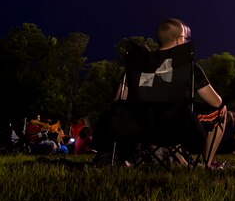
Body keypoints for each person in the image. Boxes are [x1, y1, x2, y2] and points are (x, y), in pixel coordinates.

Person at [96, 18, 224, 165]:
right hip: (175, 129)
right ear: (180, 39)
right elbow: (216, 102)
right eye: (186, 38)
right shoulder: (189, 68)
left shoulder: (136, 66)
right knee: (222, 110)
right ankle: (207, 164)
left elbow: (118, 101)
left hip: (137, 129)